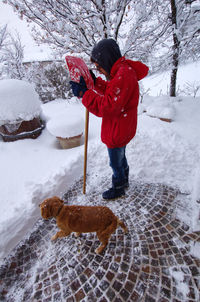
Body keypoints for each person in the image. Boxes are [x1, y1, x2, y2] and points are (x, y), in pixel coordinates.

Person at [70, 38, 149, 200]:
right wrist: (94, 82)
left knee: (115, 162)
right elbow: (113, 92)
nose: (98, 70)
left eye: (99, 66)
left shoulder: (123, 75)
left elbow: (108, 106)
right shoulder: (122, 72)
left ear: (106, 59)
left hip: (117, 130)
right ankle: (124, 179)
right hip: (122, 127)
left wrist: (83, 93)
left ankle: (119, 186)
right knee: (121, 157)